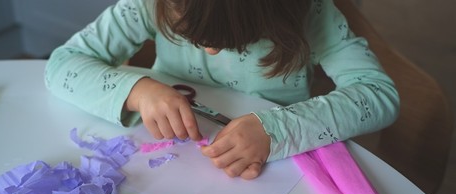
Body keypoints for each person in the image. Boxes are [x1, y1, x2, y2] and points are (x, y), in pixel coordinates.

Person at [45, 0, 399, 180]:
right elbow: (63, 64)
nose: (210, 52)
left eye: (228, 41)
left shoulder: (311, 12)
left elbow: (377, 94)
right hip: (168, 171)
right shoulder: (149, 3)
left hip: (278, 165)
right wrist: (140, 91)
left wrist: (277, 130)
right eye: (193, 38)